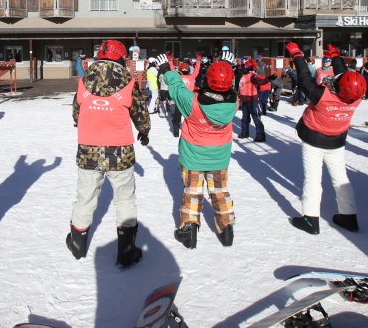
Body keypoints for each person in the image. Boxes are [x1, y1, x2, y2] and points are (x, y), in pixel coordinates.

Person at [66, 39, 150, 267]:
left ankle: (77, 243)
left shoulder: (84, 79)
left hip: (88, 149)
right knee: (124, 199)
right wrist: (144, 131)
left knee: (86, 196)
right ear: (121, 57)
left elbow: (76, 111)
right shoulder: (128, 81)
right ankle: (126, 250)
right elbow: (140, 113)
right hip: (120, 151)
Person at [159, 51, 239, 249]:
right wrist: (228, 68)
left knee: (192, 193)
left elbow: (177, 86)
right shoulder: (233, 101)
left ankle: (189, 231)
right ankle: (226, 229)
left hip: (193, 155)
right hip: (219, 156)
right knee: (220, 192)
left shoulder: (192, 102)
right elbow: (229, 85)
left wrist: (165, 70)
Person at [286, 42, 366, 235]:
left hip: (314, 139)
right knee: (340, 178)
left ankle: (310, 219)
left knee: (313, 179)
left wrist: (297, 54)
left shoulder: (321, 95)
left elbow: (304, 77)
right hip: (337, 140)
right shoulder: (356, 96)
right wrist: (336, 56)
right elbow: (345, 77)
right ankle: (348, 216)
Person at [236, 58, 266, 142]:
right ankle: (244, 132)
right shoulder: (242, 75)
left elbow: (260, 82)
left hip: (253, 100)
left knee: (256, 118)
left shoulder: (253, 75)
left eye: (246, 66)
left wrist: (268, 79)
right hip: (244, 100)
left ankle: (260, 136)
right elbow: (237, 72)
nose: (244, 67)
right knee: (244, 118)